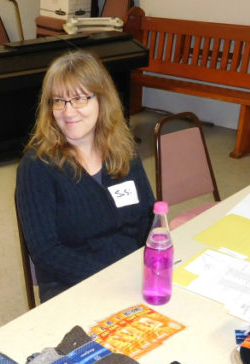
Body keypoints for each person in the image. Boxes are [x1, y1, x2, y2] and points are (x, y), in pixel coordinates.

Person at [16, 50, 155, 301]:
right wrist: (113, 278)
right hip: (71, 285)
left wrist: (153, 261)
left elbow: (148, 216)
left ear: (102, 100)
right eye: (58, 101)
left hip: (132, 273)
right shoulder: (37, 167)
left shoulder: (123, 149)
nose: (68, 112)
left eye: (79, 98)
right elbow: (47, 253)